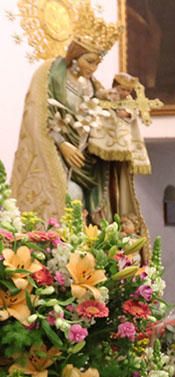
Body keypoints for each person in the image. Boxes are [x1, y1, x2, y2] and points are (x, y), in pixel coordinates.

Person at [11, 17, 145, 230]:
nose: (93, 68)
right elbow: (39, 114)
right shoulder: (51, 74)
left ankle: (84, 245)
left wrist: (120, 111)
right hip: (57, 151)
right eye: (89, 61)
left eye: (97, 63)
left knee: (89, 203)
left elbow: (100, 108)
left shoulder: (91, 83)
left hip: (86, 156)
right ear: (75, 56)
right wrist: (62, 144)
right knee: (71, 194)